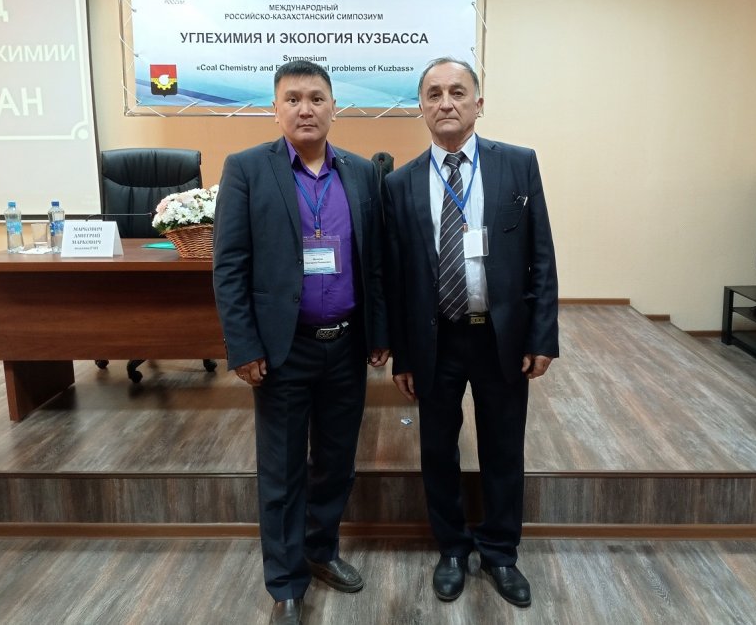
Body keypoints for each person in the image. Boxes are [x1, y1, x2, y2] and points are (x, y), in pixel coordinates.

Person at [213, 60, 389, 625]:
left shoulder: (361, 173)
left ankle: (319, 550)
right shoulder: (246, 169)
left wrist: (380, 333)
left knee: (336, 464)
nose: (305, 109)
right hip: (283, 350)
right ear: (275, 109)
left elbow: (375, 263)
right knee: (282, 471)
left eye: (316, 98)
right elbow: (229, 267)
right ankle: (286, 584)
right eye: (293, 99)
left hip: (347, 347)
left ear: (334, 107)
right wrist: (243, 347)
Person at [382, 57, 559, 608]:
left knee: (503, 447)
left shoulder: (518, 164)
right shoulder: (400, 183)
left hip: (500, 337)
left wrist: (541, 336)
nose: (446, 103)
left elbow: (541, 255)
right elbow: (396, 276)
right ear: (421, 107)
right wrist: (403, 355)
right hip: (435, 340)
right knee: (438, 449)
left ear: (479, 103)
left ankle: (501, 552)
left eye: (457, 92)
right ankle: (453, 549)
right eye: (433, 93)